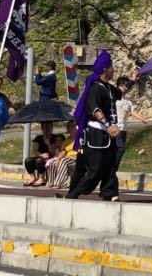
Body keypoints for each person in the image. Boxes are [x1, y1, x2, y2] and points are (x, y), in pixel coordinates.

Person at [65, 50, 122, 201]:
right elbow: (96, 110)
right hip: (96, 134)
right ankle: (72, 195)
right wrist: (108, 126)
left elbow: (120, 92)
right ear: (105, 69)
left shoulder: (108, 87)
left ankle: (109, 194)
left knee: (110, 166)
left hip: (108, 135)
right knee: (94, 170)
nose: (113, 70)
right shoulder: (95, 89)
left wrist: (133, 81)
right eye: (111, 67)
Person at [114, 77, 146, 166]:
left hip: (124, 129)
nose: (129, 88)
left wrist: (142, 118)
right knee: (120, 149)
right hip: (115, 128)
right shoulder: (114, 98)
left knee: (120, 150)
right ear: (122, 86)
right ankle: (112, 168)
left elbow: (132, 111)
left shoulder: (128, 101)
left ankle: (113, 169)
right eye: (128, 86)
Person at [24, 122, 54, 186]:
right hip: (41, 156)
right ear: (42, 128)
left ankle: (41, 178)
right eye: (45, 127)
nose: (47, 129)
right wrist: (41, 155)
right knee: (28, 160)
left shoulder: (55, 138)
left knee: (39, 161)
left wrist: (49, 144)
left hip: (51, 157)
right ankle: (33, 177)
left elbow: (53, 151)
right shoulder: (38, 138)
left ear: (52, 128)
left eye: (49, 127)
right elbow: (35, 150)